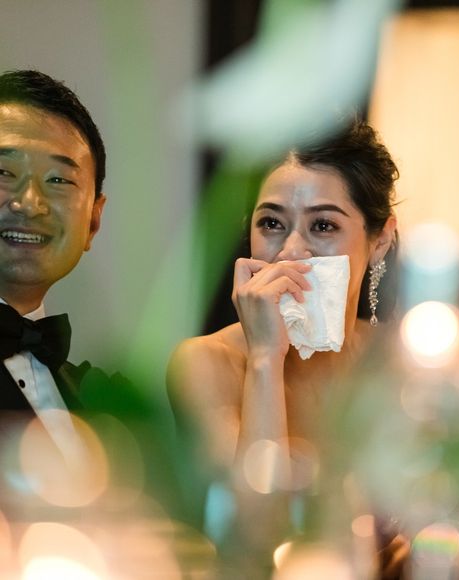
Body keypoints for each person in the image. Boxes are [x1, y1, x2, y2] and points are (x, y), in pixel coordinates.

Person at [168, 119, 410, 578]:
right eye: (272, 223)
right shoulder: (205, 363)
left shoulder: (402, 362)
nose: (291, 252)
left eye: (323, 225)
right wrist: (265, 358)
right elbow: (255, 538)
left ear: (380, 240)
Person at [0, 69, 106, 419]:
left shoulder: (100, 400)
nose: (29, 203)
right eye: (3, 172)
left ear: (93, 221)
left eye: (58, 180)